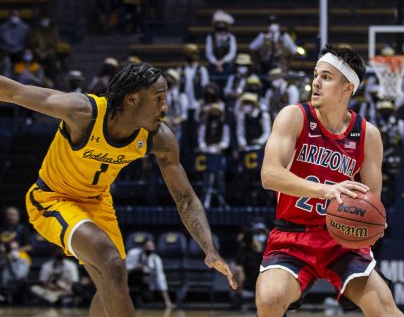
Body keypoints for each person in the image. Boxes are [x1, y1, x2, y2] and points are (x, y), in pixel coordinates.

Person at [0, 62, 237, 317]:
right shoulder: (84, 113)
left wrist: (209, 249)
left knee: (112, 282)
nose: (165, 108)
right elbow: (15, 92)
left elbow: (185, 198)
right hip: (52, 198)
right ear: (132, 99)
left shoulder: (158, 137)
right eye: (158, 99)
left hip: (98, 202)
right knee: (111, 262)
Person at [256, 45, 404, 317]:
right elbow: (269, 175)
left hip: (342, 240)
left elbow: (372, 200)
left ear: (348, 88)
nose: (315, 82)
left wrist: (372, 223)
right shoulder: (294, 116)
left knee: (384, 309)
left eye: (326, 77)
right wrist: (326, 190)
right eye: (315, 75)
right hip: (293, 234)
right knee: (269, 299)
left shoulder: (367, 135)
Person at [125, 237, 175, 309]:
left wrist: (167, 301)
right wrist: (135, 267)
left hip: (146, 284)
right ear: (143, 246)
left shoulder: (156, 259)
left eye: (152, 247)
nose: (150, 249)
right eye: (148, 246)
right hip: (131, 281)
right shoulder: (133, 253)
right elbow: (124, 271)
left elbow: (161, 278)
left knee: (148, 299)